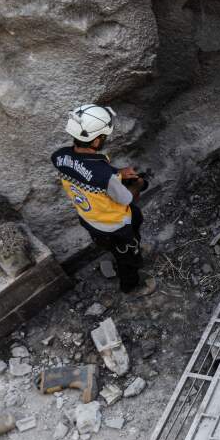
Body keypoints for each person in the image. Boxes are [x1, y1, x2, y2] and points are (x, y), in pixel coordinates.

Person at [51, 104, 156, 296]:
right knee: (127, 259)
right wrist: (138, 185)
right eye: (104, 137)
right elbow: (125, 198)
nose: (105, 139)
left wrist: (118, 173)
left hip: (90, 219)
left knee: (136, 217)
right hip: (113, 226)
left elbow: (89, 172)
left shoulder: (60, 157)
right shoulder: (103, 175)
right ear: (96, 140)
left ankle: (133, 248)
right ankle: (131, 286)